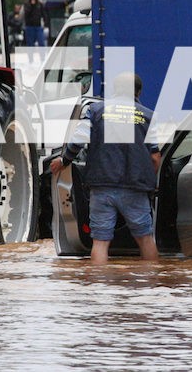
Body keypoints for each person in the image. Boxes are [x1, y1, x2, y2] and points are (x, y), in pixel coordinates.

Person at [49, 72, 160, 264]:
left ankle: (100, 288)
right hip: (135, 188)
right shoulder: (148, 116)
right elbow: (155, 157)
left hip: (102, 187)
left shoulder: (96, 111)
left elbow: (77, 141)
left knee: (100, 242)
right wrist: (148, 179)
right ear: (138, 92)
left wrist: (63, 161)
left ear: (114, 91)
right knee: (145, 239)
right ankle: (150, 287)